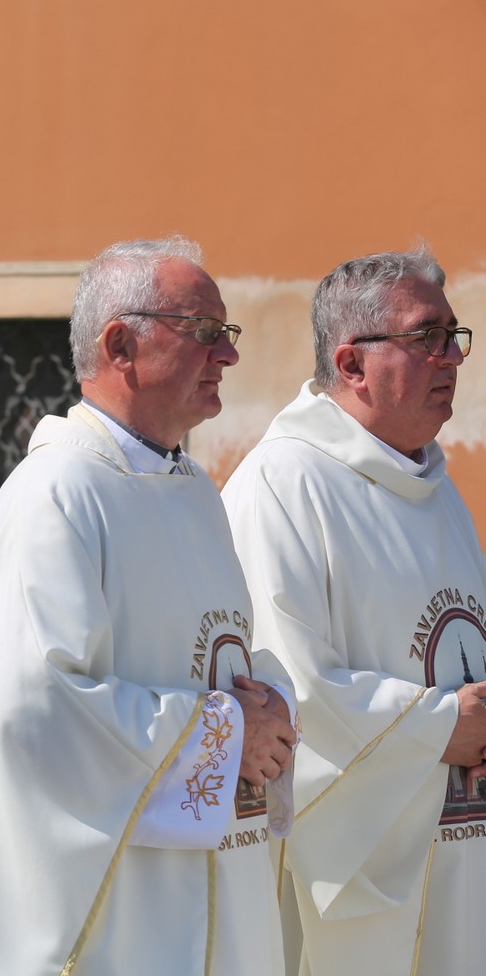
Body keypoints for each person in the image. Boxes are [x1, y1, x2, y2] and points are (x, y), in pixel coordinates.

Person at [0, 237, 299, 975]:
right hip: (117, 916)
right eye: (206, 332)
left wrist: (270, 708)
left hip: (203, 897)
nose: (229, 356)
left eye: (227, 334)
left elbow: (216, 660)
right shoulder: (59, 492)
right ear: (122, 343)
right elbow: (38, 707)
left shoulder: (197, 496)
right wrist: (221, 736)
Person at [223, 247, 486, 974]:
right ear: (351, 364)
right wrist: (441, 727)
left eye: (453, 336)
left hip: (460, 865)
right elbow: (287, 690)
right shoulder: (283, 486)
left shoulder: (441, 493)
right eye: (425, 336)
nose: (450, 358)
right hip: (349, 889)